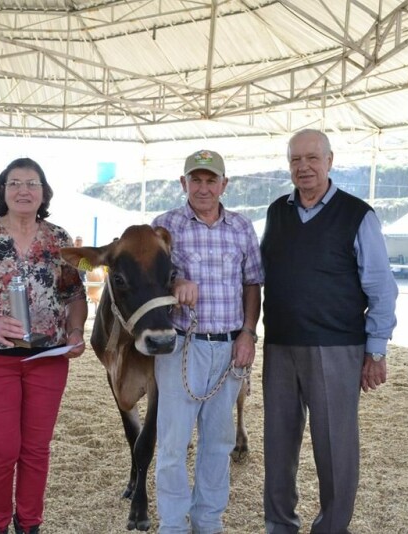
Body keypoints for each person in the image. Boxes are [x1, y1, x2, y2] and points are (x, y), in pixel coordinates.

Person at [261, 129, 397, 534]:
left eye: (312, 159)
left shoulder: (358, 214)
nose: (303, 167)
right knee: (278, 443)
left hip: (336, 346)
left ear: (330, 161)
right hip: (281, 343)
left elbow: (381, 287)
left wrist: (376, 350)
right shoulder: (277, 212)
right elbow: (261, 271)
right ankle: (279, 524)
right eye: (295, 160)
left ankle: (332, 527)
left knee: (335, 445)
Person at [0, 157, 87, 534]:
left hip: (49, 358)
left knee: (37, 449)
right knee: (0, 449)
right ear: (2, 191)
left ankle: (30, 524)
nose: (24, 190)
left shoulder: (58, 239)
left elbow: (75, 295)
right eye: (15, 183)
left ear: (44, 193)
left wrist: (75, 332)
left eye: (32, 183)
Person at [150, 149, 263, 534]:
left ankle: (209, 521)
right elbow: (148, 282)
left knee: (219, 443)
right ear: (183, 184)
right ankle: (173, 525)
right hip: (182, 346)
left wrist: (248, 334)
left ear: (224, 184)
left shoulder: (242, 227)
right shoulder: (163, 227)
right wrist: (174, 282)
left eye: (210, 180)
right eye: (195, 180)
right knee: (172, 444)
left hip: (230, 347)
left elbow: (252, 284)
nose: (203, 187)